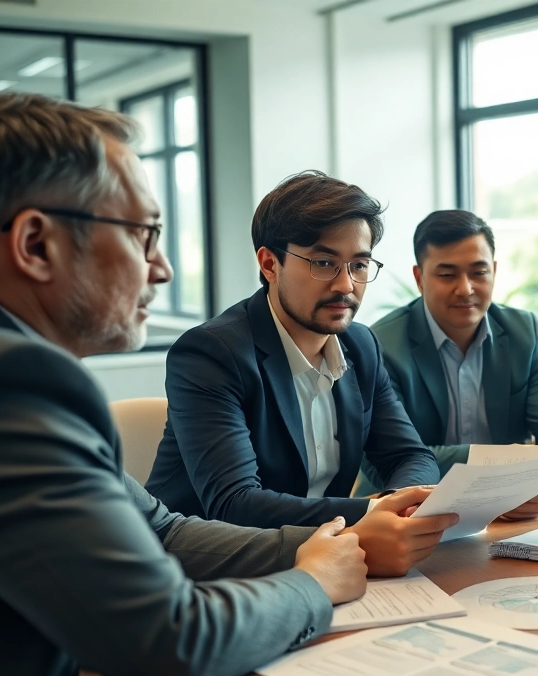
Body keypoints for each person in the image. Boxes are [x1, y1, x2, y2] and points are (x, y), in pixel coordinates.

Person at [0, 93, 387, 676]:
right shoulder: (0, 383)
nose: (160, 269)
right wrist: (314, 585)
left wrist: (324, 544)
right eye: (144, 234)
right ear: (36, 243)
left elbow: (157, 527)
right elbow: (168, 645)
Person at [148, 173, 451, 572]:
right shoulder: (211, 353)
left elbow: (410, 454)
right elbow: (234, 503)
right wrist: (372, 510)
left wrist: (399, 504)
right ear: (270, 263)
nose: (346, 285)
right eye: (324, 263)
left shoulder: (361, 346)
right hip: (211, 569)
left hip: (327, 560)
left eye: (359, 265)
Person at [368, 210, 538, 520]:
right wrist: (503, 460)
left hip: (504, 515)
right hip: (407, 513)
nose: (466, 289)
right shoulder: (381, 345)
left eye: (478, 272)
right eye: (447, 275)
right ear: (419, 279)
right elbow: (388, 459)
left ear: (494, 271)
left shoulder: (522, 332)